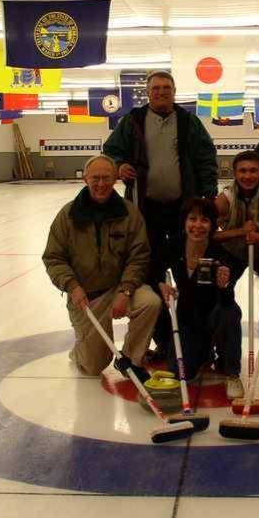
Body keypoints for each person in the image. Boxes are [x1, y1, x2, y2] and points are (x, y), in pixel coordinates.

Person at [103, 70, 218, 358]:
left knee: (189, 274)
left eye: (166, 87)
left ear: (174, 91)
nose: (161, 92)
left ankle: (197, 341)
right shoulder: (133, 121)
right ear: (148, 92)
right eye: (156, 88)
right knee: (151, 275)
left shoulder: (189, 122)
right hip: (146, 211)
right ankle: (164, 340)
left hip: (183, 211)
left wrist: (208, 195)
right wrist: (119, 164)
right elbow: (111, 149)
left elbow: (206, 158)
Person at [42, 155, 161, 382]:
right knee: (92, 367)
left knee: (150, 302)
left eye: (106, 178)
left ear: (115, 179)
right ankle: (82, 349)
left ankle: (131, 359)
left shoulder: (129, 213)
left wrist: (126, 290)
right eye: (95, 178)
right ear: (85, 179)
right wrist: (72, 286)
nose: (101, 184)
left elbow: (139, 257)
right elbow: (53, 258)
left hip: (121, 287)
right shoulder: (67, 215)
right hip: (88, 296)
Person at [158, 198, 244, 399]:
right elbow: (153, 268)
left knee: (231, 312)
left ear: (212, 225)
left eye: (204, 220)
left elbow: (226, 302)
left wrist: (224, 286)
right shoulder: (175, 244)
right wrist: (161, 283)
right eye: (192, 219)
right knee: (181, 372)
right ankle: (205, 351)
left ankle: (231, 372)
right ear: (184, 221)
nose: (197, 225)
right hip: (188, 318)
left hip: (214, 315)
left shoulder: (219, 254)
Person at [213, 149, 259, 281]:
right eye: (242, 171)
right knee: (220, 286)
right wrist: (241, 231)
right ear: (235, 173)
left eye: (253, 170)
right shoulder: (225, 200)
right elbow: (209, 235)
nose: (248, 176)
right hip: (232, 252)